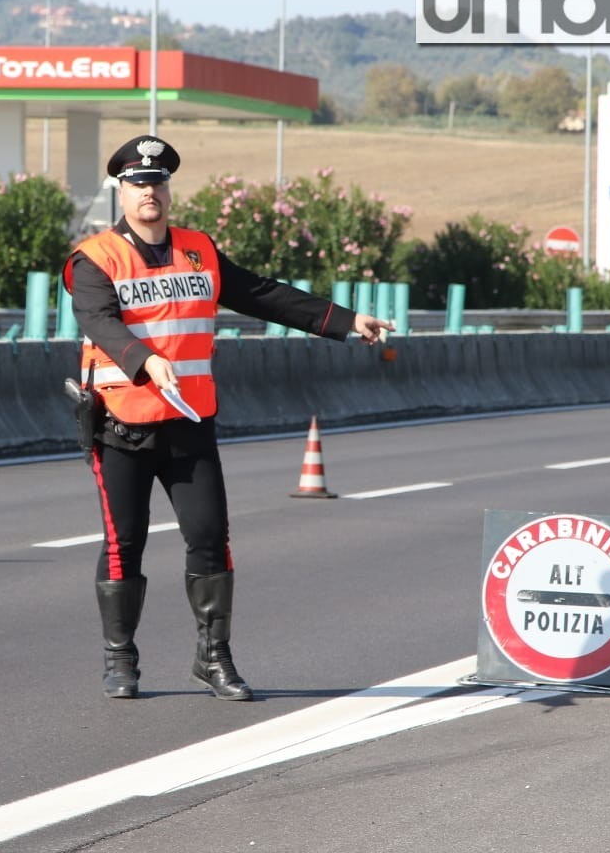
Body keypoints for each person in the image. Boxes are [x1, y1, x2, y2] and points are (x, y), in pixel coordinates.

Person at [62, 134, 392, 701]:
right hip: (122, 423)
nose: (150, 192)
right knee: (126, 543)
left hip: (189, 421)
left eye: (158, 182)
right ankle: (121, 659)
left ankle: (214, 658)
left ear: (168, 189)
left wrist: (343, 320)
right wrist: (147, 362)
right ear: (121, 190)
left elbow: (263, 295)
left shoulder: (199, 250)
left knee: (210, 537)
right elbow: (100, 322)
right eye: (138, 184)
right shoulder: (94, 259)